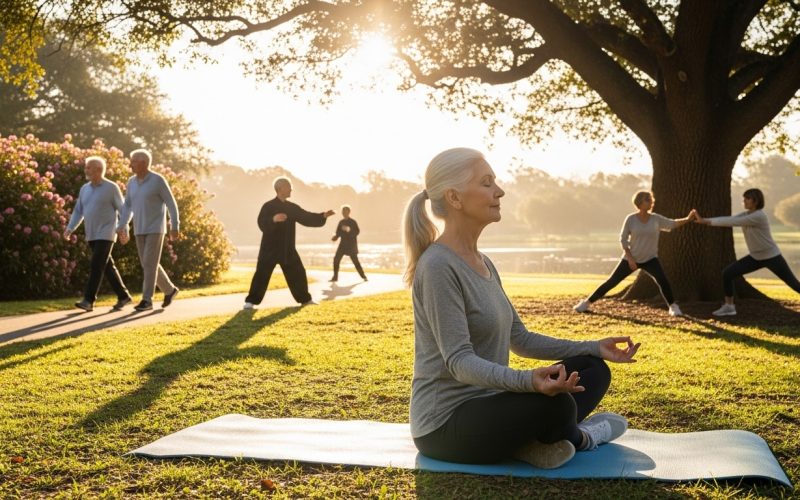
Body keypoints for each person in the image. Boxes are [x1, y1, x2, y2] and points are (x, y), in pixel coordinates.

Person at [403, 148, 640, 469]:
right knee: (556, 408)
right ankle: (579, 437)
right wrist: (529, 382)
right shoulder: (438, 266)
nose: (499, 191)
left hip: (493, 407)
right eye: (487, 183)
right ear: (455, 198)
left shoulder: (483, 263)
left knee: (592, 368)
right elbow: (458, 361)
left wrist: (594, 347)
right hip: (445, 425)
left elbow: (520, 338)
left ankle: (528, 442)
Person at [573, 191, 694, 317]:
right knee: (612, 282)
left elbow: (672, 224)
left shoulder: (655, 218)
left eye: (651, 198)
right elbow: (623, 239)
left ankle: (673, 307)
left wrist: (688, 219)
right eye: (647, 199)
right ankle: (586, 303)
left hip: (650, 259)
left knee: (663, 281)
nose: (651, 201)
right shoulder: (631, 219)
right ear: (640, 203)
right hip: (631, 258)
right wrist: (630, 259)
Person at [694, 188, 800, 316]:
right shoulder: (747, 214)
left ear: (755, 201)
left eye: (747, 199)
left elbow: (732, 222)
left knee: (793, 284)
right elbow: (730, 218)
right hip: (755, 257)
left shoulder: (758, 216)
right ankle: (729, 306)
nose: (743, 201)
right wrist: (704, 219)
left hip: (772, 257)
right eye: (743, 198)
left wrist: (705, 221)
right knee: (728, 273)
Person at [244, 176, 335, 309]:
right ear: (280, 189)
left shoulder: (292, 207)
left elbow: (306, 217)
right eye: (289, 187)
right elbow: (261, 224)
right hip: (269, 249)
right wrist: (273, 219)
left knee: (298, 272)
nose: (291, 189)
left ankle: (305, 299)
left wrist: (322, 216)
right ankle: (250, 302)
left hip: (287, 249)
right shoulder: (268, 206)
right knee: (261, 275)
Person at [64, 156, 133, 312]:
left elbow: (123, 210)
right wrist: (70, 228)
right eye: (86, 167)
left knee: (96, 264)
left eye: (89, 167)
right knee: (106, 266)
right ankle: (123, 296)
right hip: (92, 233)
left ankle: (88, 300)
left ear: (99, 170)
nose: (86, 170)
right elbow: (78, 211)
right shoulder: (84, 189)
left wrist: (124, 229)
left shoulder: (111, 188)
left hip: (107, 232)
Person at [117, 149, 180, 312]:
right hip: (139, 229)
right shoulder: (131, 182)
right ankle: (170, 290)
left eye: (133, 161)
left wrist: (175, 226)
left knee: (149, 264)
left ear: (143, 163)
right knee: (148, 264)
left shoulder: (158, 180)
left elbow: (171, 204)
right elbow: (127, 206)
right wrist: (122, 225)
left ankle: (147, 300)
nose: (130, 164)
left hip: (155, 229)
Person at [330, 205, 367, 282]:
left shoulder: (353, 222)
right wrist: (335, 237)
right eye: (343, 211)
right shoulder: (341, 222)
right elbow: (338, 233)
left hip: (351, 245)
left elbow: (357, 232)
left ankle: (363, 276)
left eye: (345, 211)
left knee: (355, 262)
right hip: (342, 245)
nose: (344, 213)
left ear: (349, 212)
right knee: (336, 259)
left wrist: (348, 230)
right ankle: (335, 277)